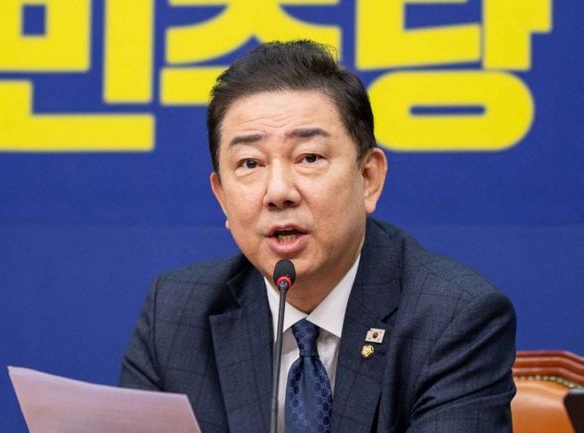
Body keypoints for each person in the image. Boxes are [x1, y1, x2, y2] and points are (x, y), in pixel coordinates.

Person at [119, 40, 516, 433]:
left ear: (368, 178)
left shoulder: (452, 318)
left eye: (309, 157)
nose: (278, 192)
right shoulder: (174, 315)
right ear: (221, 197)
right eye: (250, 163)